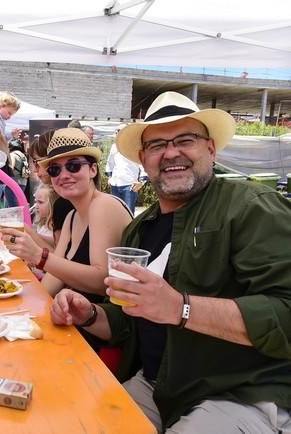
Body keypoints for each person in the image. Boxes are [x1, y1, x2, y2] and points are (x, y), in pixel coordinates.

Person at [50, 91, 291, 433]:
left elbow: (285, 311)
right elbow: (128, 319)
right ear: (143, 158)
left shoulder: (251, 207)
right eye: (158, 145)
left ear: (210, 148)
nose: (172, 152)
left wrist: (181, 308)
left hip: (239, 394)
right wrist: (88, 313)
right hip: (157, 387)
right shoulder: (141, 228)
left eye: (185, 140)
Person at [1, 128, 132, 304]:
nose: (63, 175)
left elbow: (103, 281)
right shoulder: (71, 217)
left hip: (99, 324)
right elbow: (55, 279)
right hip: (72, 319)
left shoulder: (103, 205)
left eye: (73, 166)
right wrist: (15, 301)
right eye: (55, 169)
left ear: (93, 170)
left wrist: (39, 256)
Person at [105, 124, 144, 213]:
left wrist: (141, 182)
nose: (117, 133)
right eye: (116, 131)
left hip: (129, 185)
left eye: (119, 131)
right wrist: (109, 177)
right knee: (116, 213)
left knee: (128, 213)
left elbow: (143, 164)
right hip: (115, 185)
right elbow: (110, 162)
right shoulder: (114, 147)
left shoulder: (135, 147)